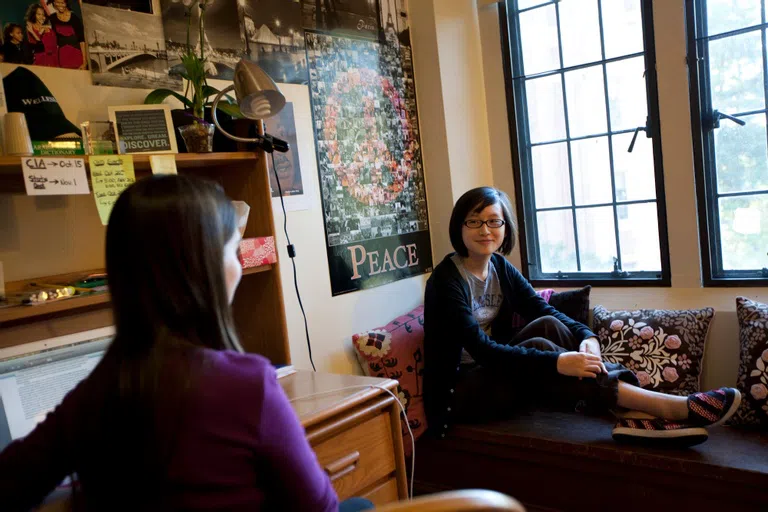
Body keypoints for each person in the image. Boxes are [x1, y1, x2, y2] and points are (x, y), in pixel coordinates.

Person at [0, 175, 371, 511]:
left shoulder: (96, 391)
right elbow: (320, 508)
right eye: (233, 250)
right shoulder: (248, 385)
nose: (240, 266)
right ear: (201, 268)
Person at [423, 186, 742, 444]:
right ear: (459, 227)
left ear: (506, 228)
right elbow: (483, 349)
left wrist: (586, 336)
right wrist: (558, 362)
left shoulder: (499, 267)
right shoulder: (446, 281)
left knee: (548, 326)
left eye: (494, 221)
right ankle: (672, 407)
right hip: (460, 393)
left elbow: (542, 309)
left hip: (491, 375)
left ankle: (631, 412)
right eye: (474, 221)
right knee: (545, 349)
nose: (485, 230)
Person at [47, 0, 86, 70]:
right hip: (62, 58)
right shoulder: (52, 18)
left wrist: (85, 62)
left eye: (62, 3)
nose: (60, 5)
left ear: (66, 3)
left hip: (77, 56)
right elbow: (52, 41)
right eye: (57, 2)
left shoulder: (75, 18)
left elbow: (82, 41)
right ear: (54, 3)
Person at [26, 3, 58, 67]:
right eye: (38, 14)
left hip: (52, 60)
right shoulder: (30, 28)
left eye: (43, 15)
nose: (41, 17)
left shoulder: (49, 29)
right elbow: (36, 46)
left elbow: (55, 47)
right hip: (40, 60)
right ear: (34, 15)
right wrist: (36, 32)